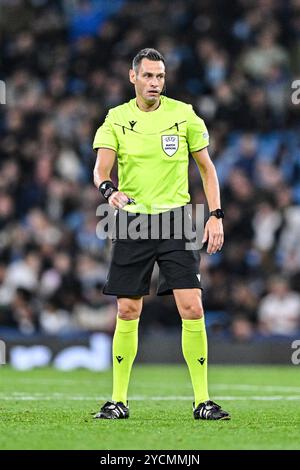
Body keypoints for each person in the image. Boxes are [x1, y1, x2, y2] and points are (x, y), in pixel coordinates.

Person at [92, 48, 230, 421]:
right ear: (132, 76)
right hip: (132, 221)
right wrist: (110, 192)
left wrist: (215, 215)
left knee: (192, 306)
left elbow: (207, 168)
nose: (155, 83)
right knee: (127, 308)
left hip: (176, 220)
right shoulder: (116, 119)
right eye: (148, 76)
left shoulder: (183, 115)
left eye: (160, 77)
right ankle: (117, 400)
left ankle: (202, 401)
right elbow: (101, 169)